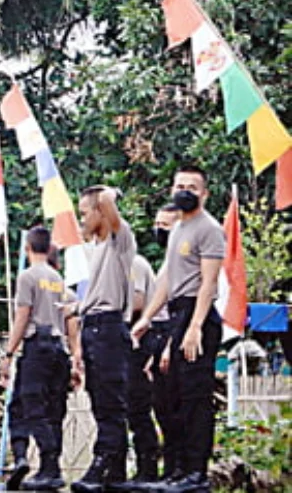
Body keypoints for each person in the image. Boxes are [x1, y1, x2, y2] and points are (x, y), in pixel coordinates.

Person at [131, 166, 225, 493]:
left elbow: (208, 282)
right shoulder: (178, 229)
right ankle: (178, 471)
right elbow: (167, 281)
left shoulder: (209, 228)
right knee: (175, 399)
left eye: (192, 187)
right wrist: (146, 318)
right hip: (176, 313)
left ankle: (196, 474)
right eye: (180, 185)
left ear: (205, 193)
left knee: (196, 398)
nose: (185, 190)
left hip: (198, 315)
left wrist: (195, 326)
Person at [0, 227, 81, 491]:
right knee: (53, 409)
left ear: (27, 247)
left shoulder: (28, 276)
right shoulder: (57, 278)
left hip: (37, 347)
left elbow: (23, 315)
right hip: (58, 350)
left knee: (29, 406)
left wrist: (9, 352)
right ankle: (49, 468)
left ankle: (41, 458)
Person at [71, 186, 136, 493]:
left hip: (110, 329)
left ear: (100, 212)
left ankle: (103, 464)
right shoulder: (96, 250)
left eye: (85, 213)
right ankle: (116, 472)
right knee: (100, 401)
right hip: (93, 326)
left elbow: (110, 204)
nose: (81, 219)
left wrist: (107, 193)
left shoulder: (119, 242)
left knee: (111, 403)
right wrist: (76, 309)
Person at [138, 204, 180, 485]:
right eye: (158, 224)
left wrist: (168, 345)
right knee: (161, 408)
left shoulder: (184, 259)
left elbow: (180, 308)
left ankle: (178, 469)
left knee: (176, 409)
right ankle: (168, 470)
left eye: (166, 225)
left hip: (174, 332)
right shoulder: (167, 259)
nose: (159, 230)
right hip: (159, 333)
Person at [121, 249, 161, 489]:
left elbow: (136, 302)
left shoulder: (134, 263)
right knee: (130, 408)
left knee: (139, 407)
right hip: (130, 339)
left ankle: (148, 468)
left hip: (141, 338)